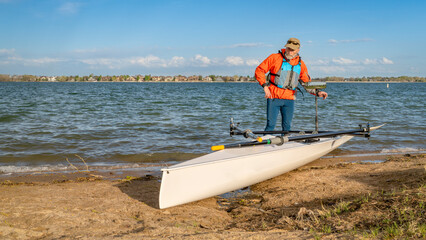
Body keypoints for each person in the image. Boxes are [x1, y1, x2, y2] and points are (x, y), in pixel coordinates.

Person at [255, 37, 328, 132]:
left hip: (289, 99)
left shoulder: (301, 64)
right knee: (270, 125)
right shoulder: (275, 57)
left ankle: (285, 144)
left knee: (287, 127)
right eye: (288, 48)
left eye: (292, 50)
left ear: (298, 50)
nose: (289, 52)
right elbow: (259, 70)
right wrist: (265, 86)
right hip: (273, 97)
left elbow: (306, 83)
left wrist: (317, 92)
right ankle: (264, 144)